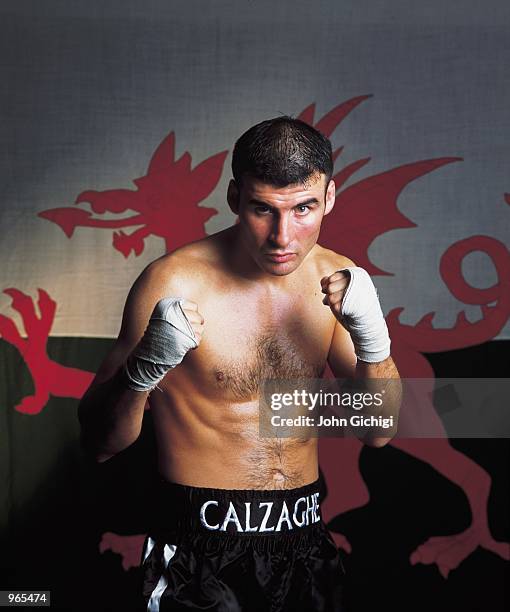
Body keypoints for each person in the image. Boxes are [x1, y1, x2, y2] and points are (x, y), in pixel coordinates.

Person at [78, 116, 400, 611]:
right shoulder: (173, 283)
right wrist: (145, 368)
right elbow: (100, 444)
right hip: (198, 551)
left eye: (303, 209)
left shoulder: (338, 281)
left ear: (330, 198)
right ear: (234, 198)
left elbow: (377, 431)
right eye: (262, 210)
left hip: (304, 539)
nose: (282, 236)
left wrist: (374, 342)